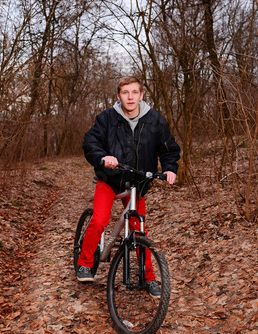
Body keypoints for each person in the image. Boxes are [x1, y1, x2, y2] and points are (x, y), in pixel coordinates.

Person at [77, 76, 181, 298]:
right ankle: (85, 262)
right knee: (99, 219)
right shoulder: (106, 117)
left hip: (137, 181)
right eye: (125, 93)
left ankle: (149, 278)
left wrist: (170, 168)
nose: (130, 97)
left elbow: (168, 148)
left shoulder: (153, 119)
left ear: (141, 95)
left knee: (139, 229)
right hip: (110, 178)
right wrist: (103, 157)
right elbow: (90, 142)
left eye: (135, 92)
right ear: (119, 96)